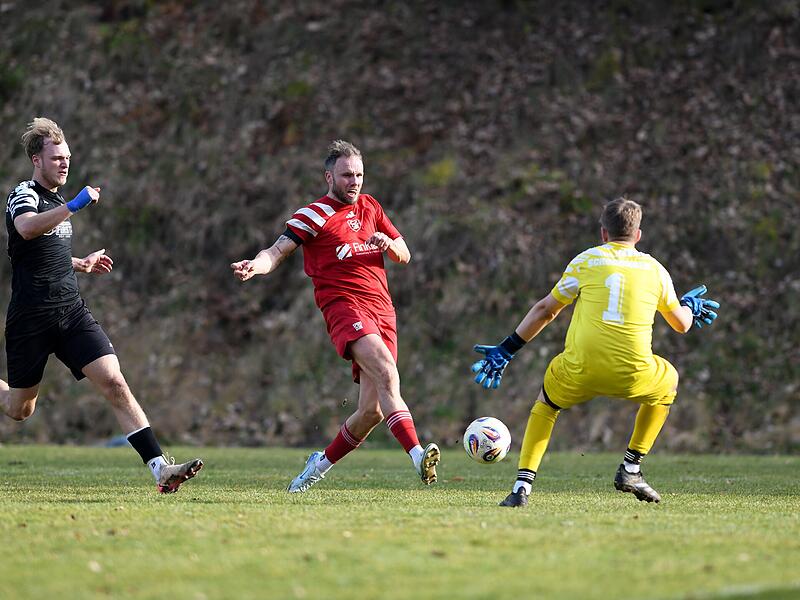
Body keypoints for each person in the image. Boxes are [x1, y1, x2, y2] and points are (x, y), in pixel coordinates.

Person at [471, 197, 719, 507]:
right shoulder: (655, 270)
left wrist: (507, 349)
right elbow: (681, 324)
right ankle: (631, 468)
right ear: (638, 235)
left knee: (547, 405)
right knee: (669, 380)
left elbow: (546, 310)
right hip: (634, 375)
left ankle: (522, 487)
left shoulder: (587, 261)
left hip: (579, 371)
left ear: (603, 233)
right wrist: (690, 307)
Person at [1, 117, 202, 494]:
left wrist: (80, 263)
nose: (65, 164)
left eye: (68, 158)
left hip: (71, 312)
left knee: (114, 381)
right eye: (57, 158)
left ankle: (160, 468)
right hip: (31, 319)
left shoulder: (58, 201)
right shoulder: (23, 195)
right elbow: (27, 229)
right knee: (19, 409)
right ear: (36, 160)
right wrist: (76, 205)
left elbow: (45, 250)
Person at [231, 139, 440, 492]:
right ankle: (419, 455)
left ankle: (319, 464)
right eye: (346, 176)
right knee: (388, 371)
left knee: (372, 412)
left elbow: (404, 253)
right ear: (329, 177)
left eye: (359, 174)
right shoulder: (312, 214)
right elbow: (277, 250)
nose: (354, 182)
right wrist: (256, 266)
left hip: (382, 310)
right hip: (344, 308)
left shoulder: (371, 207)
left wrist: (388, 245)